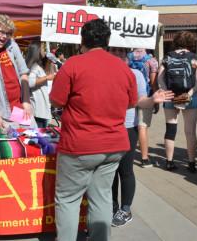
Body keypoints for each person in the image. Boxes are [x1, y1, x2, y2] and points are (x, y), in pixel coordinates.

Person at [50, 19, 136, 241]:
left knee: (68, 199)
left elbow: (57, 100)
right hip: (113, 145)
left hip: (79, 145)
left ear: (82, 41)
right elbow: (131, 102)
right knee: (102, 198)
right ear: (107, 41)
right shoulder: (123, 68)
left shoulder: (73, 64)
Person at [109, 47, 174, 227]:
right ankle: (112, 206)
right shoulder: (103, 73)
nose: (120, 55)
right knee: (110, 171)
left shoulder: (135, 74)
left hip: (128, 127)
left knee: (126, 170)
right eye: (115, 51)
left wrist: (153, 99)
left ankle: (126, 209)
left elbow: (139, 100)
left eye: (123, 52)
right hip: (107, 128)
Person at [158, 31, 197, 172]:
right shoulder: (196, 58)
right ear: (190, 42)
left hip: (171, 95)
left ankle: (169, 162)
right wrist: (189, 93)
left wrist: (166, 92)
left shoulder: (168, 57)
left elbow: (160, 77)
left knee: (170, 130)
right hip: (190, 96)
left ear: (176, 41)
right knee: (190, 132)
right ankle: (191, 163)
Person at [0, 14, 34, 129]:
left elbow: (23, 74)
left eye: (7, 33)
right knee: (8, 145)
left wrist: (26, 101)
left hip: (20, 110)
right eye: (1, 32)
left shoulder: (12, 45)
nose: (4, 36)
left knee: (33, 141)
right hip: (1, 115)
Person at [127, 48, 159, 167]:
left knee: (130, 124)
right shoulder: (151, 60)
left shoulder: (128, 56)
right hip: (145, 96)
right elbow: (153, 82)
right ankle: (144, 158)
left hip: (129, 95)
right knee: (142, 126)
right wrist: (155, 101)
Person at [25, 41, 55, 128]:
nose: (44, 51)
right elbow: (30, 83)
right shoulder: (34, 66)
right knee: (37, 138)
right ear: (37, 51)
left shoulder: (36, 66)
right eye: (42, 48)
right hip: (37, 110)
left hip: (40, 109)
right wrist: (47, 77)